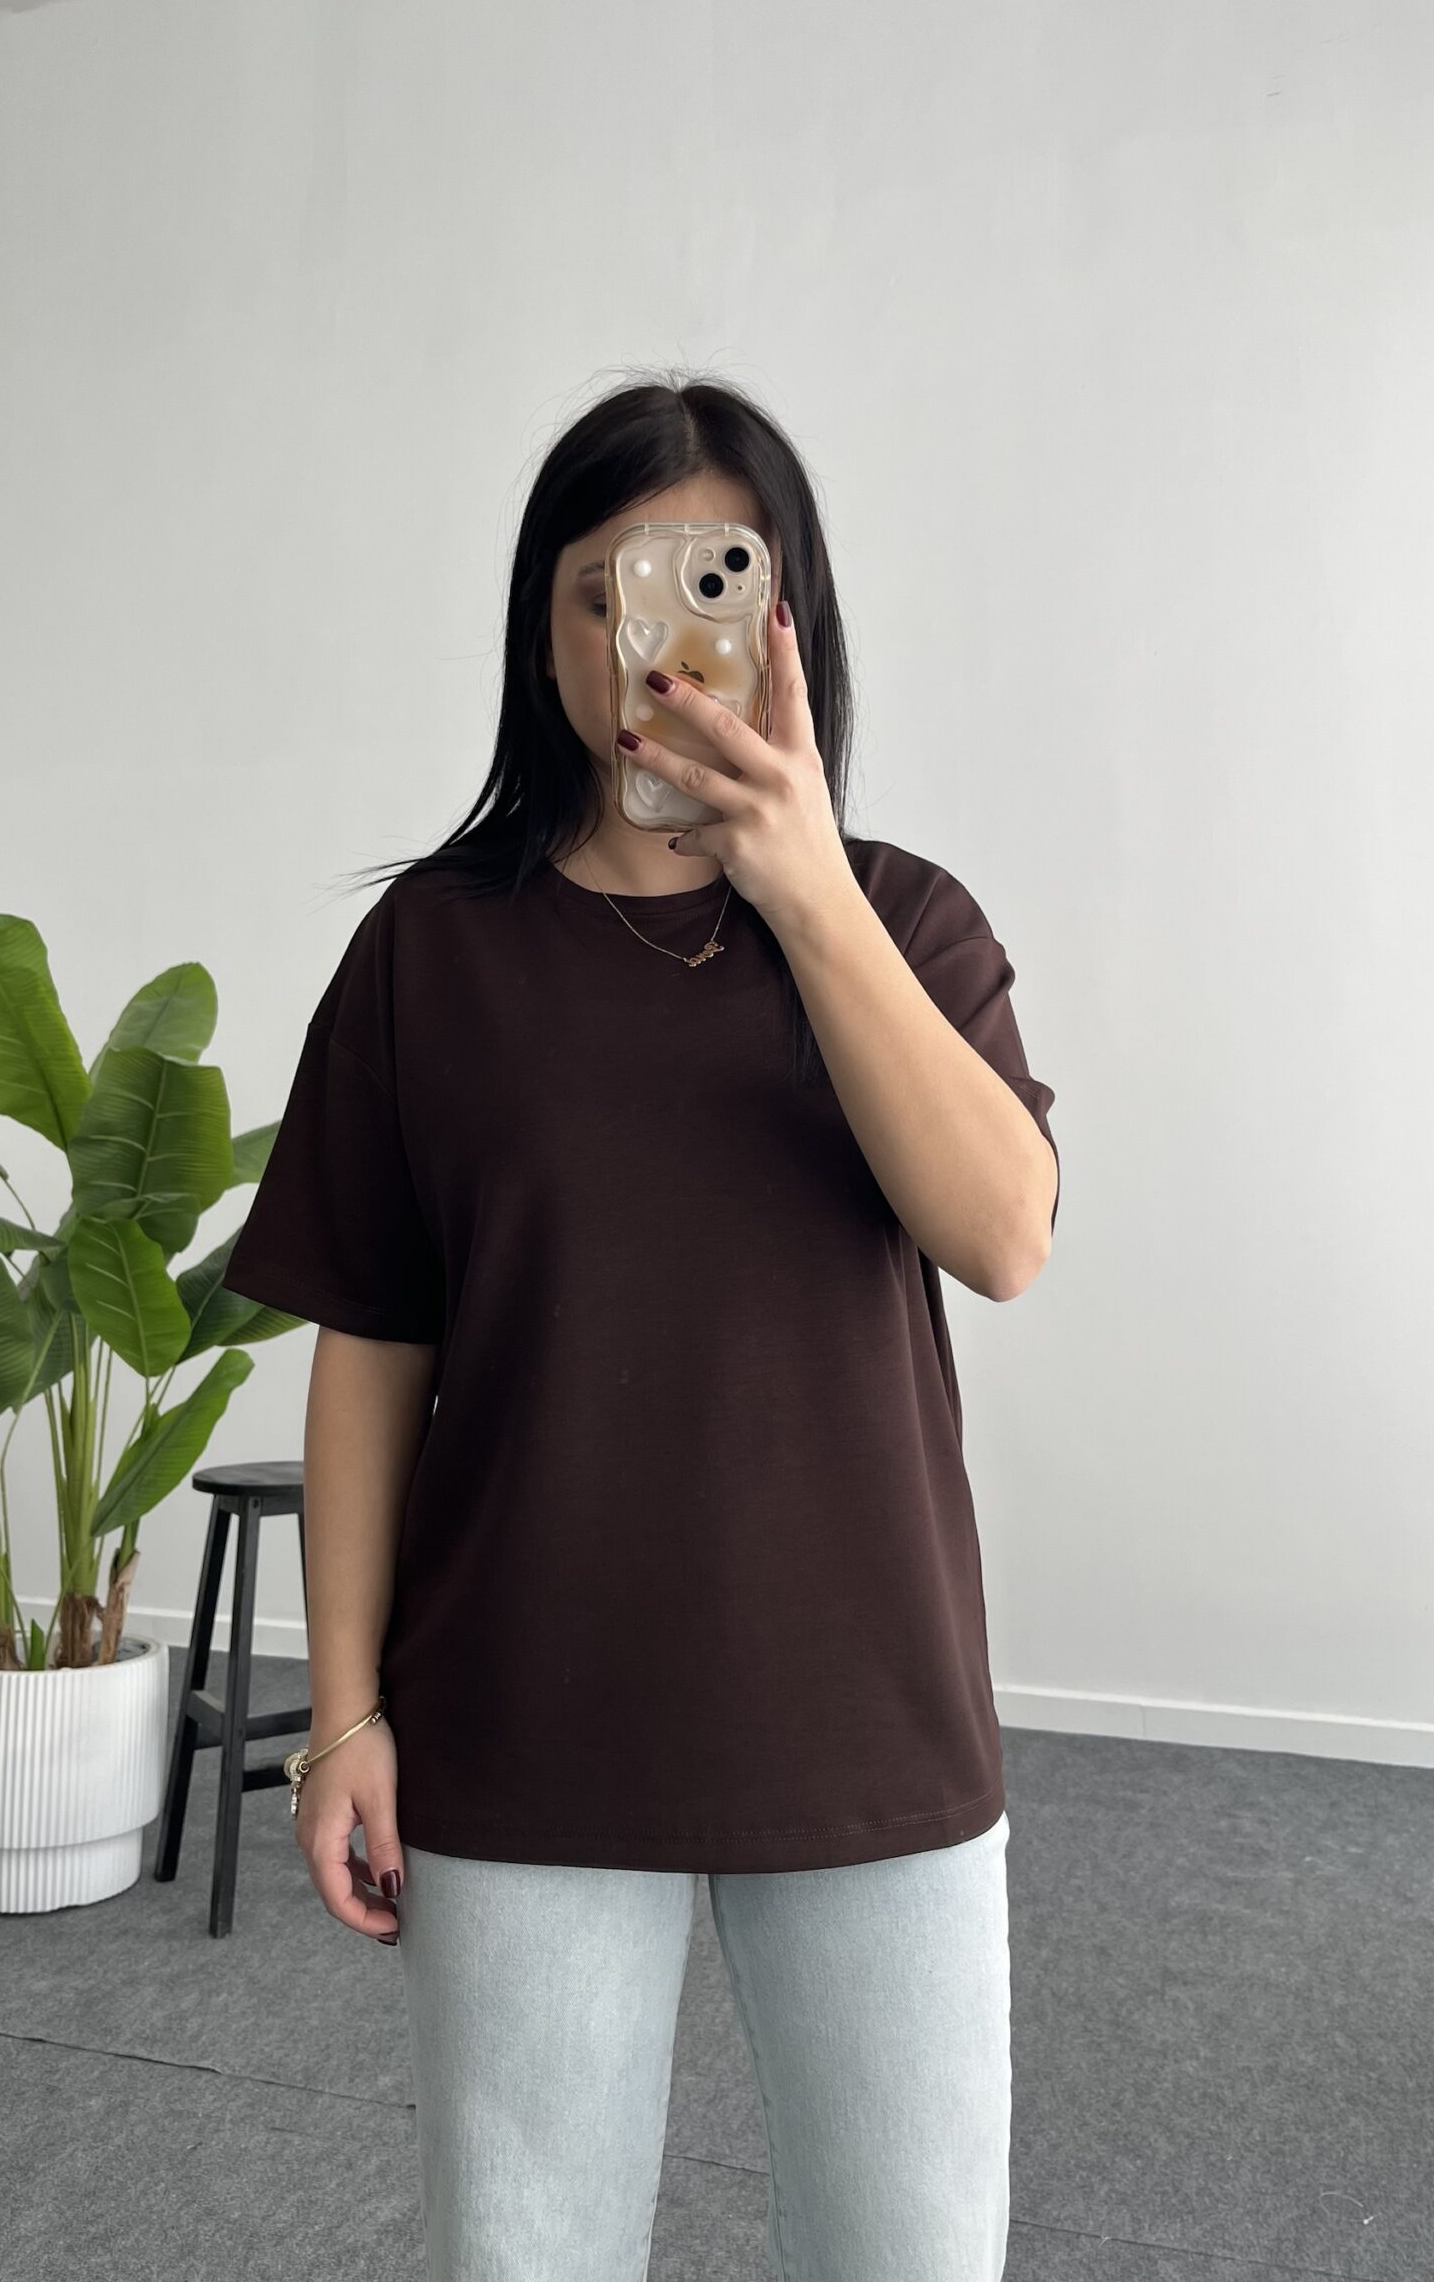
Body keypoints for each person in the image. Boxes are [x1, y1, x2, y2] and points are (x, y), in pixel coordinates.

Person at [223, 370, 1060, 2281]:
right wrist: (342, 1714)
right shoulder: (434, 951)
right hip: (522, 1718)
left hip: (867, 1714)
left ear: (786, 624)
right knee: (525, 2254)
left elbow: (1004, 1235)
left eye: (697, 582)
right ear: (542, 637)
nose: (639, 641)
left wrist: (806, 891)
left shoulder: (908, 923)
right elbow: (372, 1348)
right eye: (593, 593)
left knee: (913, 2255)